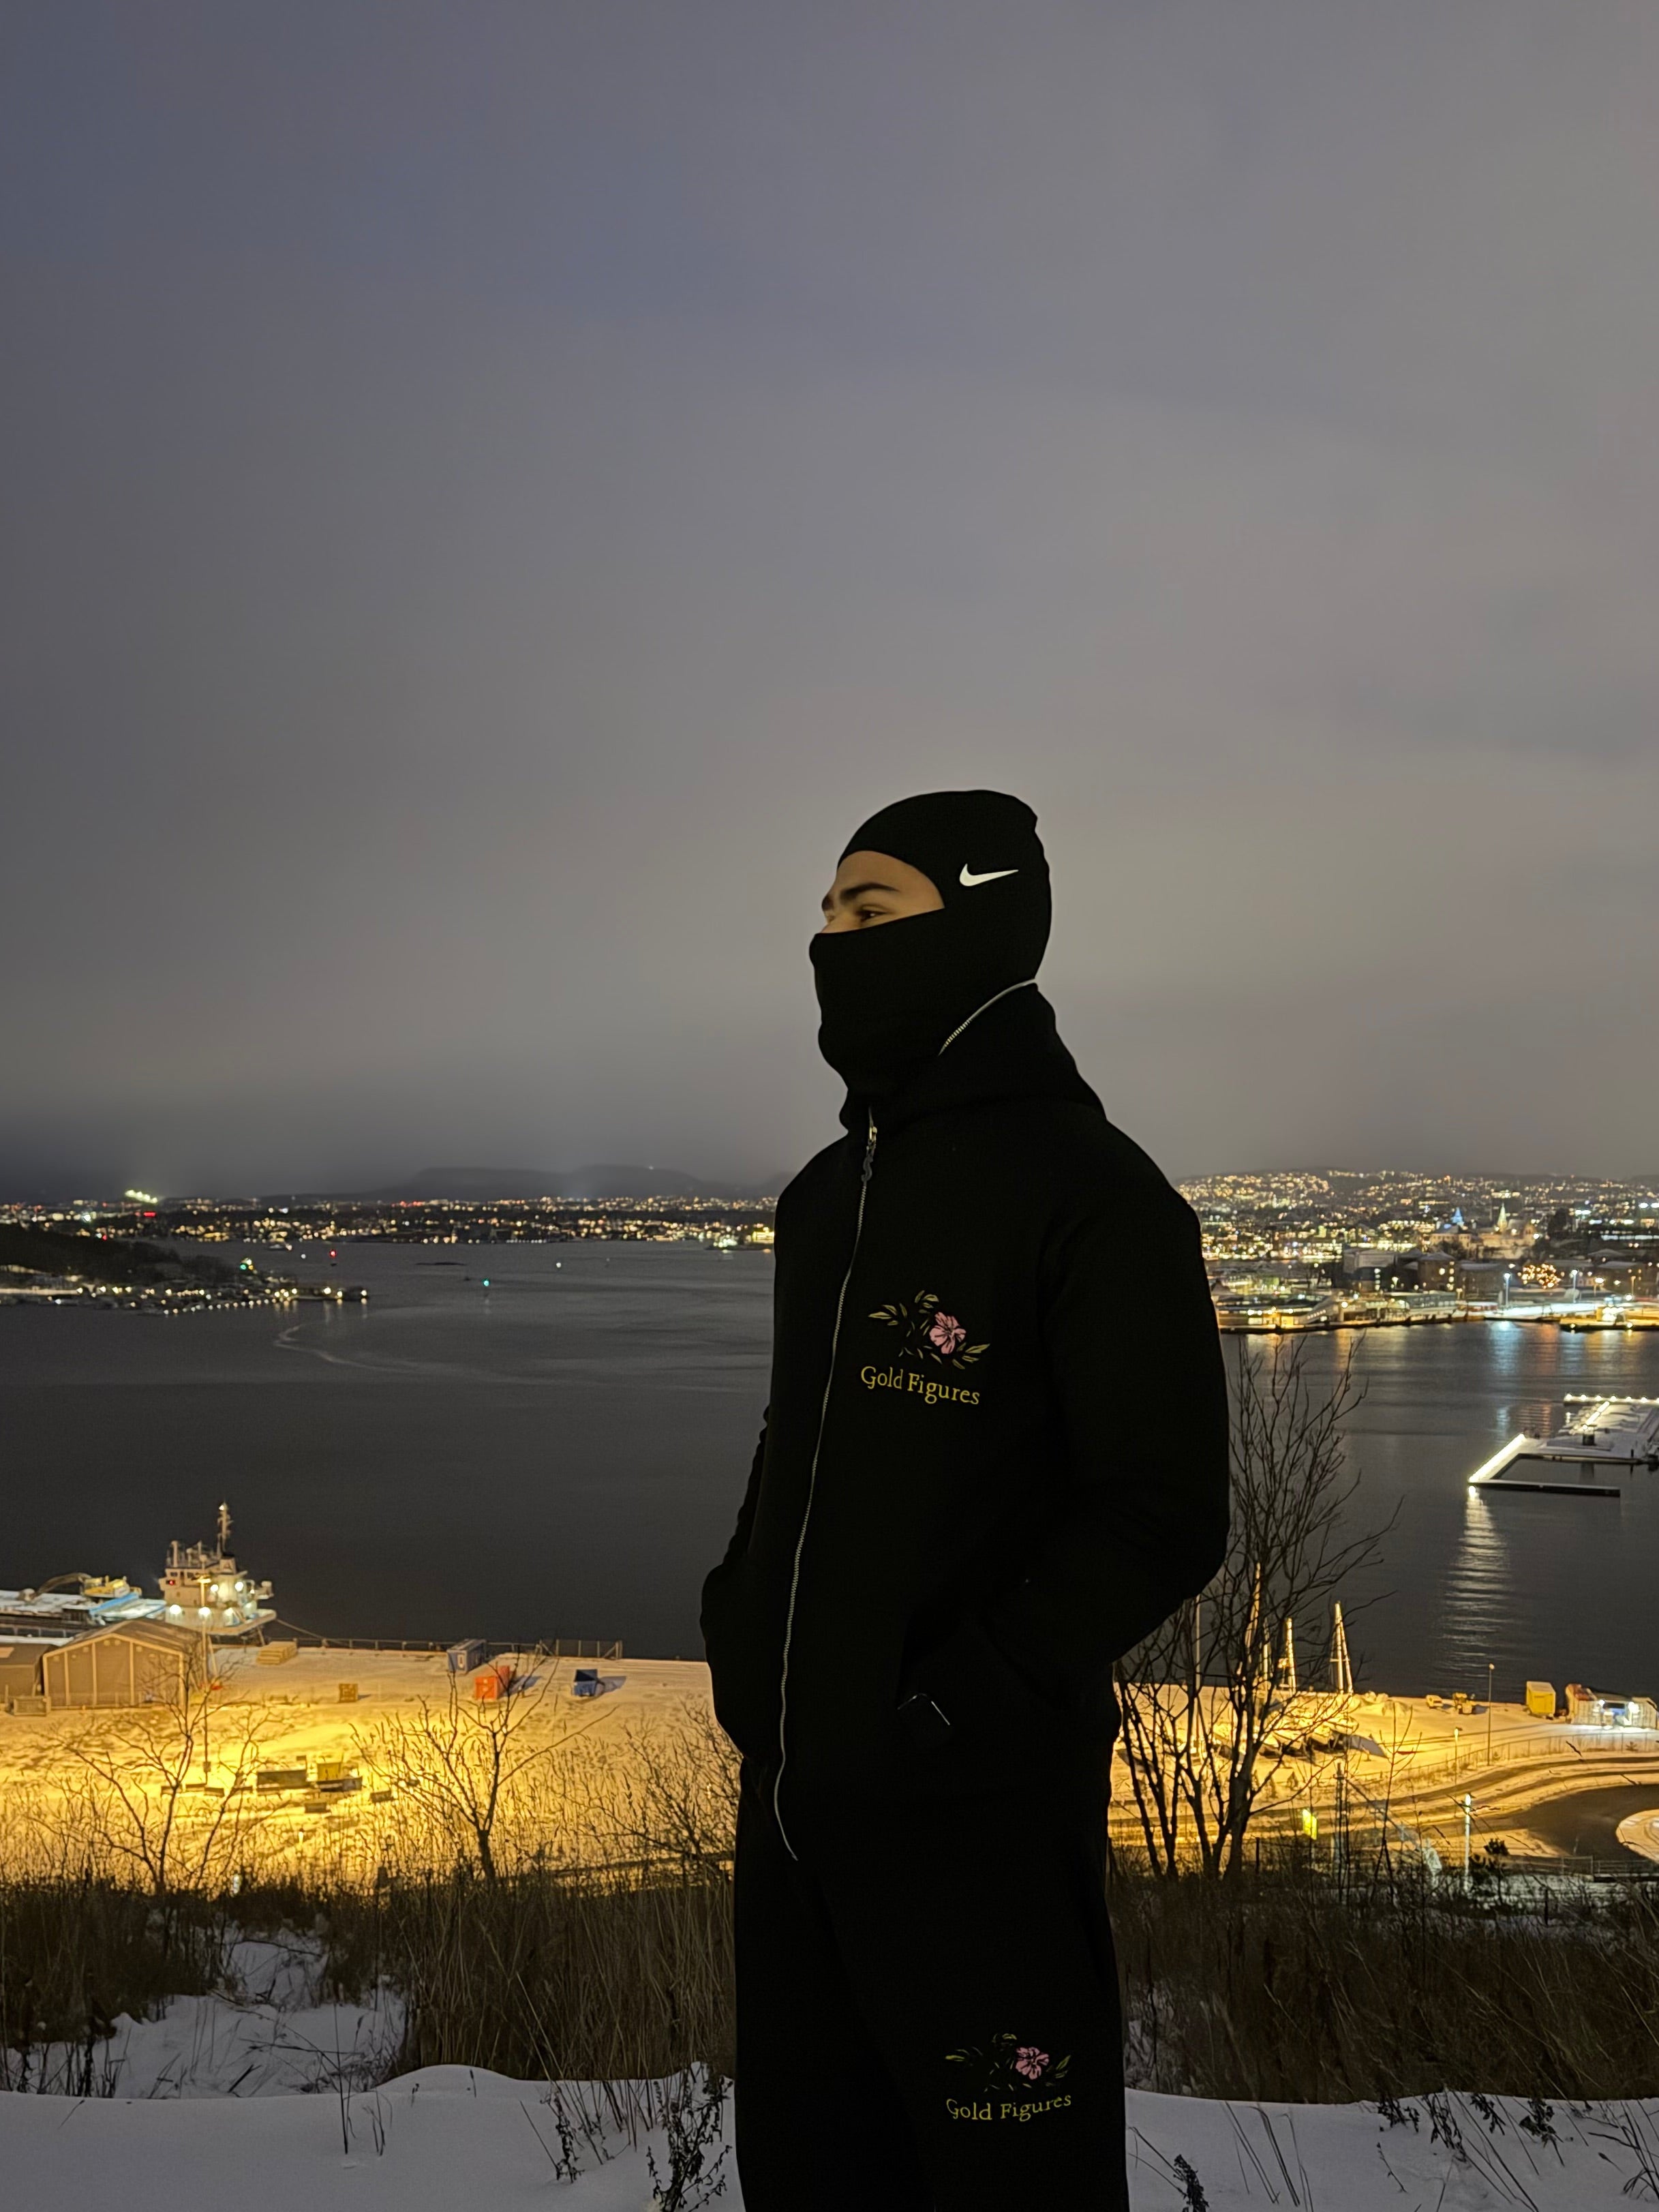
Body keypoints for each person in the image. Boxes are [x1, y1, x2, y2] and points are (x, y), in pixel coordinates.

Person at [699, 788, 1230, 2210]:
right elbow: (794, 1448)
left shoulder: (1094, 1196)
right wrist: (739, 1631)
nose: (830, 941)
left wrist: (948, 1705)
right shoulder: (824, 1198)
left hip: (978, 1832)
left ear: (984, 923)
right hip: (796, 1820)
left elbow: (1161, 1513)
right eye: (823, 914)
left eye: (868, 911)